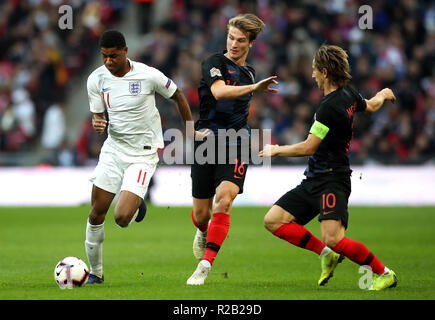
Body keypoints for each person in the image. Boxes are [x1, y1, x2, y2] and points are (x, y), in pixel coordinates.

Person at [259, 44, 397, 291]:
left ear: (324, 72)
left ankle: (384, 273)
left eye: (314, 70)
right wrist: (384, 94)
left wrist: (277, 149)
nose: (311, 75)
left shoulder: (328, 107)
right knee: (273, 220)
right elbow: (371, 105)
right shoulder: (349, 94)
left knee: (334, 238)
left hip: (333, 180)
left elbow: (309, 147)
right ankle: (326, 255)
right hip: (314, 179)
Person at [85, 30, 203, 284]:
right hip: (114, 149)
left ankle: (136, 199)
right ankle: (95, 272)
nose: (108, 62)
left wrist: (190, 128)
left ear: (125, 51)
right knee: (96, 213)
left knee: (121, 218)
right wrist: (98, 122)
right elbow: (98, 115)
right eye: (104, 56)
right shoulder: (96, 79)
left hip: (143, 153)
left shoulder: (148, 75)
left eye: (113, 56)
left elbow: (178, 94)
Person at [186, 14, 278, 285]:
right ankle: (202, 230)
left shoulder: (249, 72)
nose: (234, 44)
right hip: (206, 142)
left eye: (240, 40)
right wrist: (254, 88)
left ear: (251, 43)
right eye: (231, 38)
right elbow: (219, 92)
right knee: (202, 214)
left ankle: (204, 266)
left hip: (237, 143)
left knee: (224, 200)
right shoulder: (213, 63)